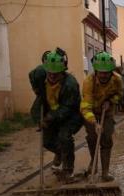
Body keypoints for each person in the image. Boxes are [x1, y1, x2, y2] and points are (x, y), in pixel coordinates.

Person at [28, 48, 83, 181]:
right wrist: (36, 89)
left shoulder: (71, 84)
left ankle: (68, 171)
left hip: (71, 115)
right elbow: (31, 75)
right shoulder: (40, 73)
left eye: (56, 74)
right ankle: (61, 153)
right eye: (49, 73)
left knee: (65, 137)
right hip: (50, 110)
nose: (52, 76)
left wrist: (50, 117)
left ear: (63, 71)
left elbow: (67, 108)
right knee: (46, 141)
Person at [80, 51, 123, 182]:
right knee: (92, 137)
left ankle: (105, 172)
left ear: (111, 71)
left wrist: (111, 101)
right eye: (101, 72)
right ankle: (94, 162)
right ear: (96, 70)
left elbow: (120, 95)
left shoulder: (117, 79)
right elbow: (85, 107)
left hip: (107, 112)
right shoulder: (88, 82)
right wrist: (95, 123)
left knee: (106, 138)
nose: (104, 75)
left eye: (107, 72)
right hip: (91, 112)